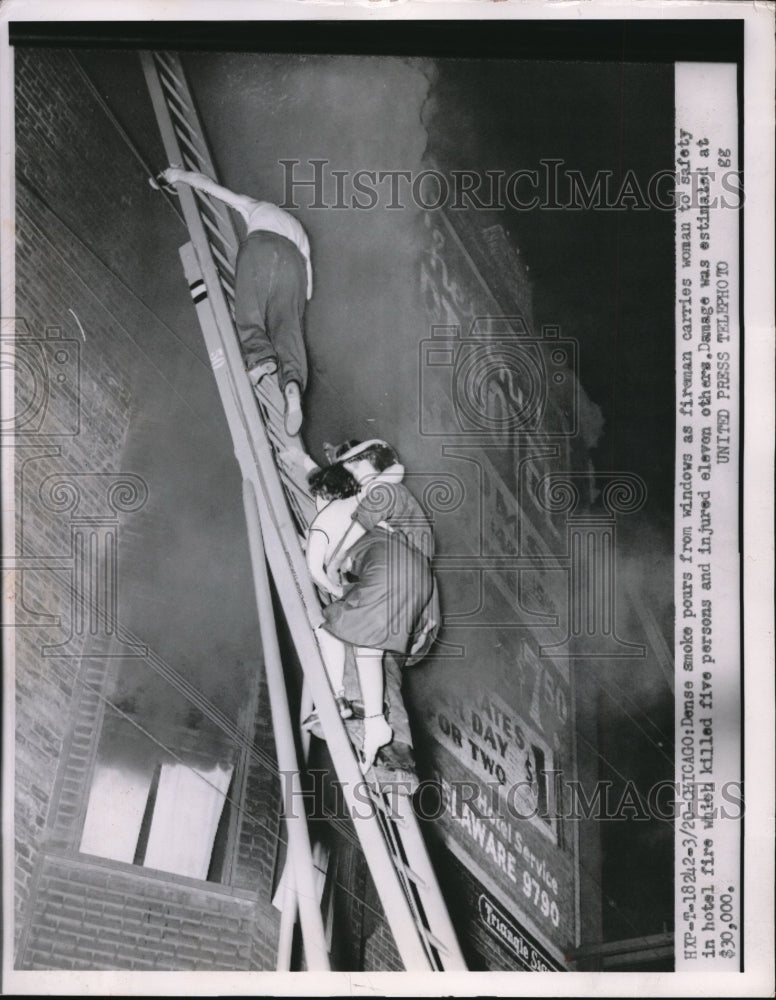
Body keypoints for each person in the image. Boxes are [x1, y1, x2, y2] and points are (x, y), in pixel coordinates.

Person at [158, 166, 312, 436]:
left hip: (261, 246)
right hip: (295, 265)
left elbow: (207, 185)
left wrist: (176, 175)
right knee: (289, 328)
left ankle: (260, 357)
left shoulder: (256, 207)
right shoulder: (299, 231)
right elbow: (308, 286)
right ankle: (292, 384)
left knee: (248, 309)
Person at [318, 440, 440, 770]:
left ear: (371, 464)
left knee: (354, 639)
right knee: (384, 666)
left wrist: (329, 564)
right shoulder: (394, 504)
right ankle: (398, 747)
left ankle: (360, 708)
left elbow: (344, 543)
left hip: (400, 598)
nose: (349, 472)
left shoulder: (386, 494)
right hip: (415, 614)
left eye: (353, 464)